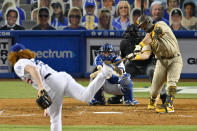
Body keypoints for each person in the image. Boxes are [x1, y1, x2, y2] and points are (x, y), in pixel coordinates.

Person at [8, 43, 113, 131]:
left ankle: (103, 73)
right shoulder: (30, 60)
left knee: (55, 119)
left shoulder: (19, 63)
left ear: (13, 55)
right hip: (61, 77)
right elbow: (38, 72)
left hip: (51, 84)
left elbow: (33, 70)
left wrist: (41, 87)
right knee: (86, 96)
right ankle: (104, 73)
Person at [134, 15, 183, 113]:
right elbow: (146, 55)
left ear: (148, 22)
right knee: (154, 90)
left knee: (172, 82)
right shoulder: (147, 38)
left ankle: (169, 105)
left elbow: (157, 32)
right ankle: (153, 101)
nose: (142, 28)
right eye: (141, 27)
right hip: (161, 62)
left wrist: (142, 44)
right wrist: (136, 54)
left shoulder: (160, 24)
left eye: (143, 25)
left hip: (175, 59)